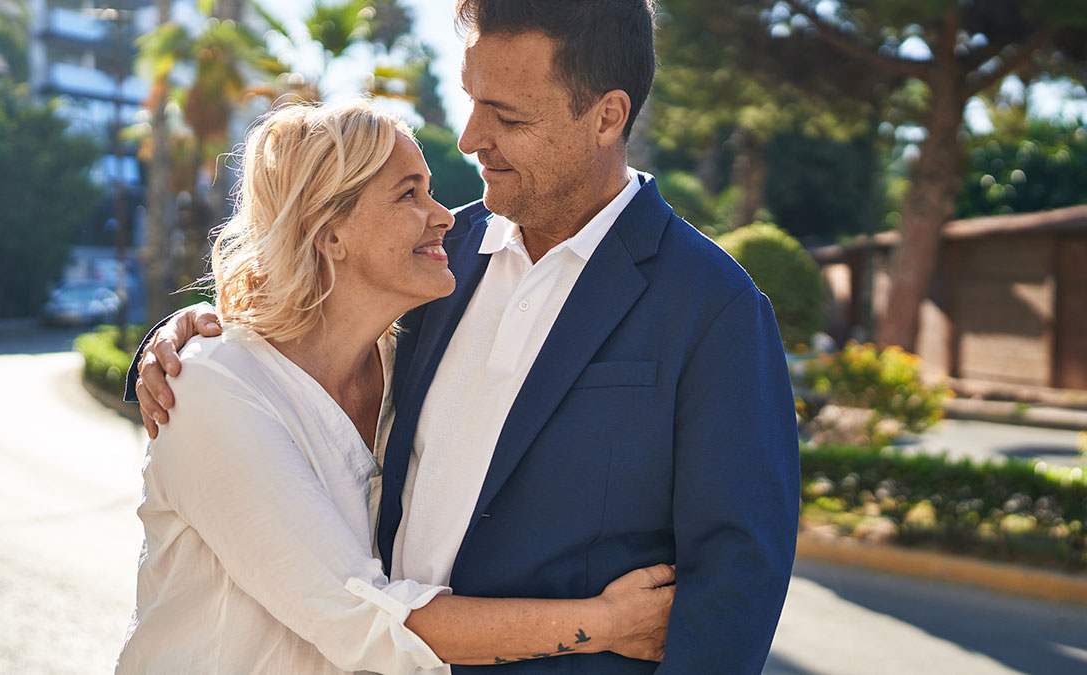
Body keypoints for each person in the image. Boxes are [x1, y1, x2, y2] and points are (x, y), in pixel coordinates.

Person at [131, 1, 801, 672]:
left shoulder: (714, 308)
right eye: (472, 101)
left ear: (606, 116)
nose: (471, 137)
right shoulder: (439, 260)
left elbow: (734, 584)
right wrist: (186, 337)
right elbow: (303, 332)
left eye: (508, 116)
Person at [115, 101, 675, 675]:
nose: (446, 217)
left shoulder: (408, 364)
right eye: (409, 194)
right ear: (329, 234)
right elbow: (361, 618)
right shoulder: (211, 386)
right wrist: (606, 623)